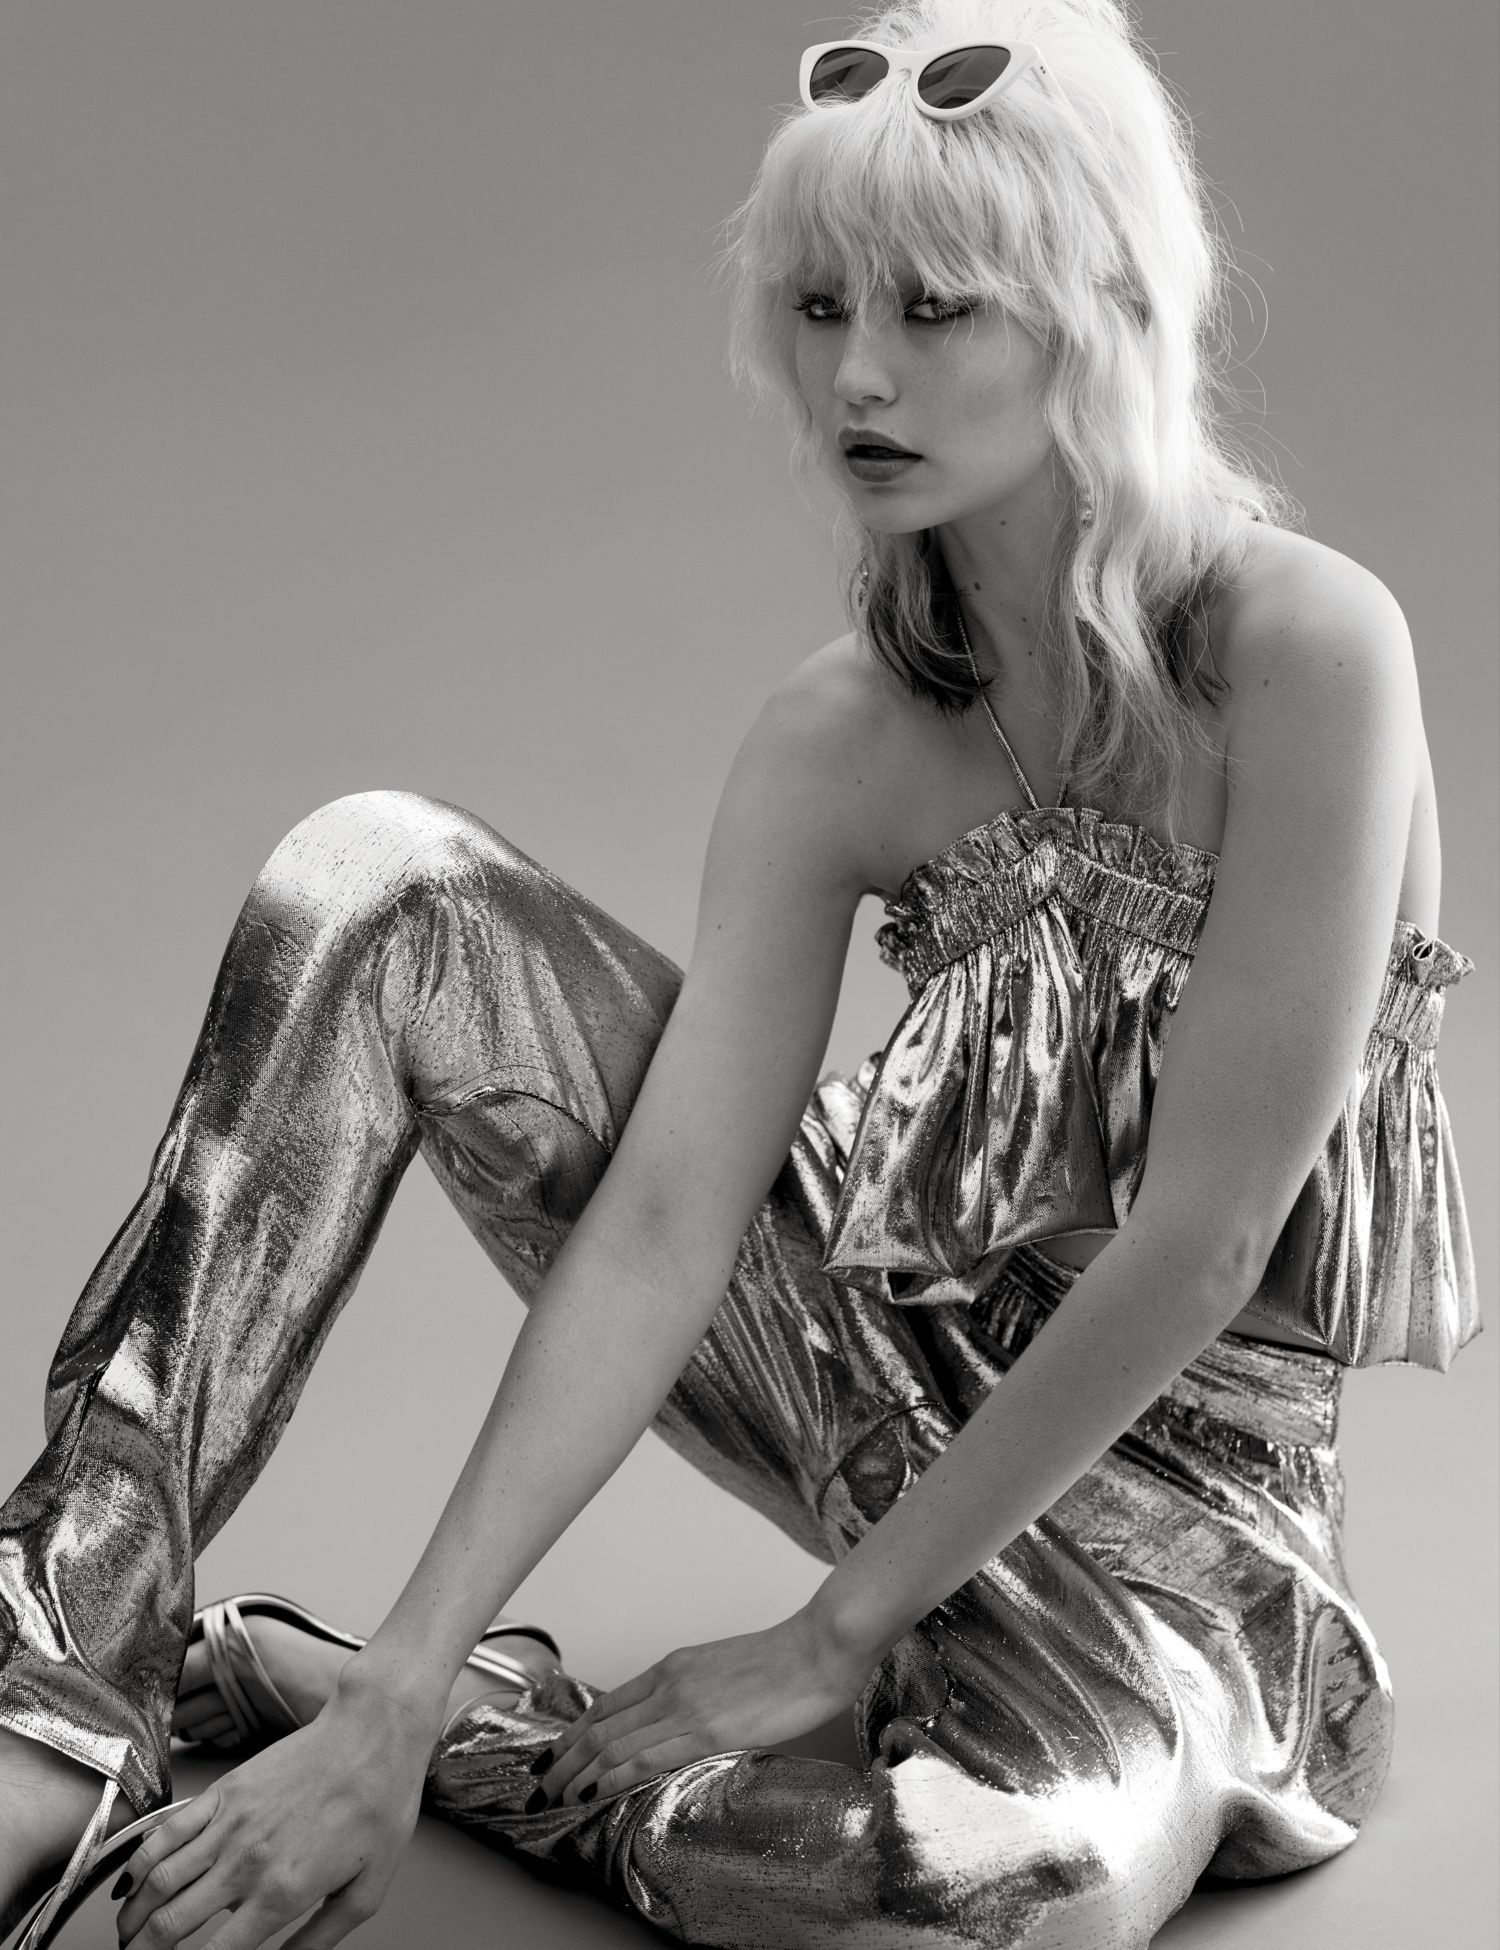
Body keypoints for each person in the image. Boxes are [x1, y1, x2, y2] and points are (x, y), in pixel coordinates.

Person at [0, 1, 1478, 1945]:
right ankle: (56, 1689)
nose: (858, 372)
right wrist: (421, 1656)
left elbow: (1208, 1242)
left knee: (992, 1894)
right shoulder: (838, 736)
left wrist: (819, 1638)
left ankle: (431, 1731)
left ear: (1102, 306)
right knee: (382, 882)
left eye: (935, 307)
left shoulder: (1310, 650)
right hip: (870, 1375)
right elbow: (664, 1227)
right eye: (820, 304)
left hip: (1183, 1545)